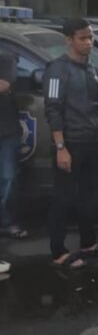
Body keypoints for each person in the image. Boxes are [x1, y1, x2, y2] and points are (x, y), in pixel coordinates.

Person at [44, 18, 98, 269]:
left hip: (91, 141)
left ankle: (89, 243)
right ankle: (58, 251)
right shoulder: (57, 70)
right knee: (64, 198)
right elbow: (53, 110)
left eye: (91, 37)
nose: (89, 42)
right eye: (83, 38)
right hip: (70, 143)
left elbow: (95, 107)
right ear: (69, 40)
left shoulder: (91, 68)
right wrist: (60, 147)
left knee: (89, 196)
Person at [0, 53, 27, 240]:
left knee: (8, 178)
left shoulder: (6, 57)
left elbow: (6, 84)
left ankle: (6, 222)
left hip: (7, 131)